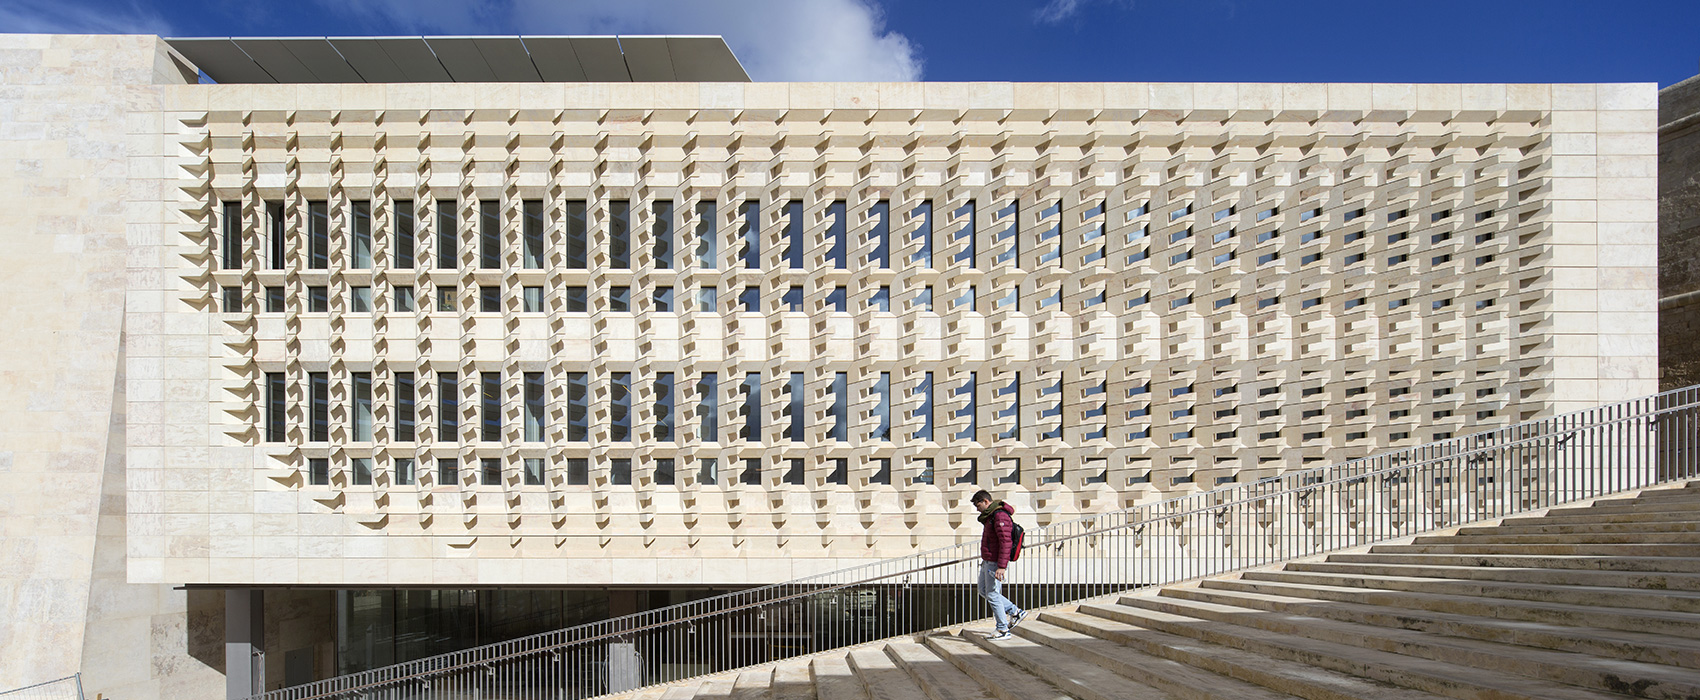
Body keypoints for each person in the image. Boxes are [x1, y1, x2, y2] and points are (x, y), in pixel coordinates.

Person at [970, 489, 1027, 641]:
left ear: (986, 501)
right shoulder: (990, 517)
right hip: (988, 560)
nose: (977, 509)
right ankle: (1014, 611)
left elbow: (1006, 542)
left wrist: (1002, 566)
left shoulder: (999, 515)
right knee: (983, 590)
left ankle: (1002, 629)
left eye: (978, 505)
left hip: (995, 562)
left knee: (993, 594)